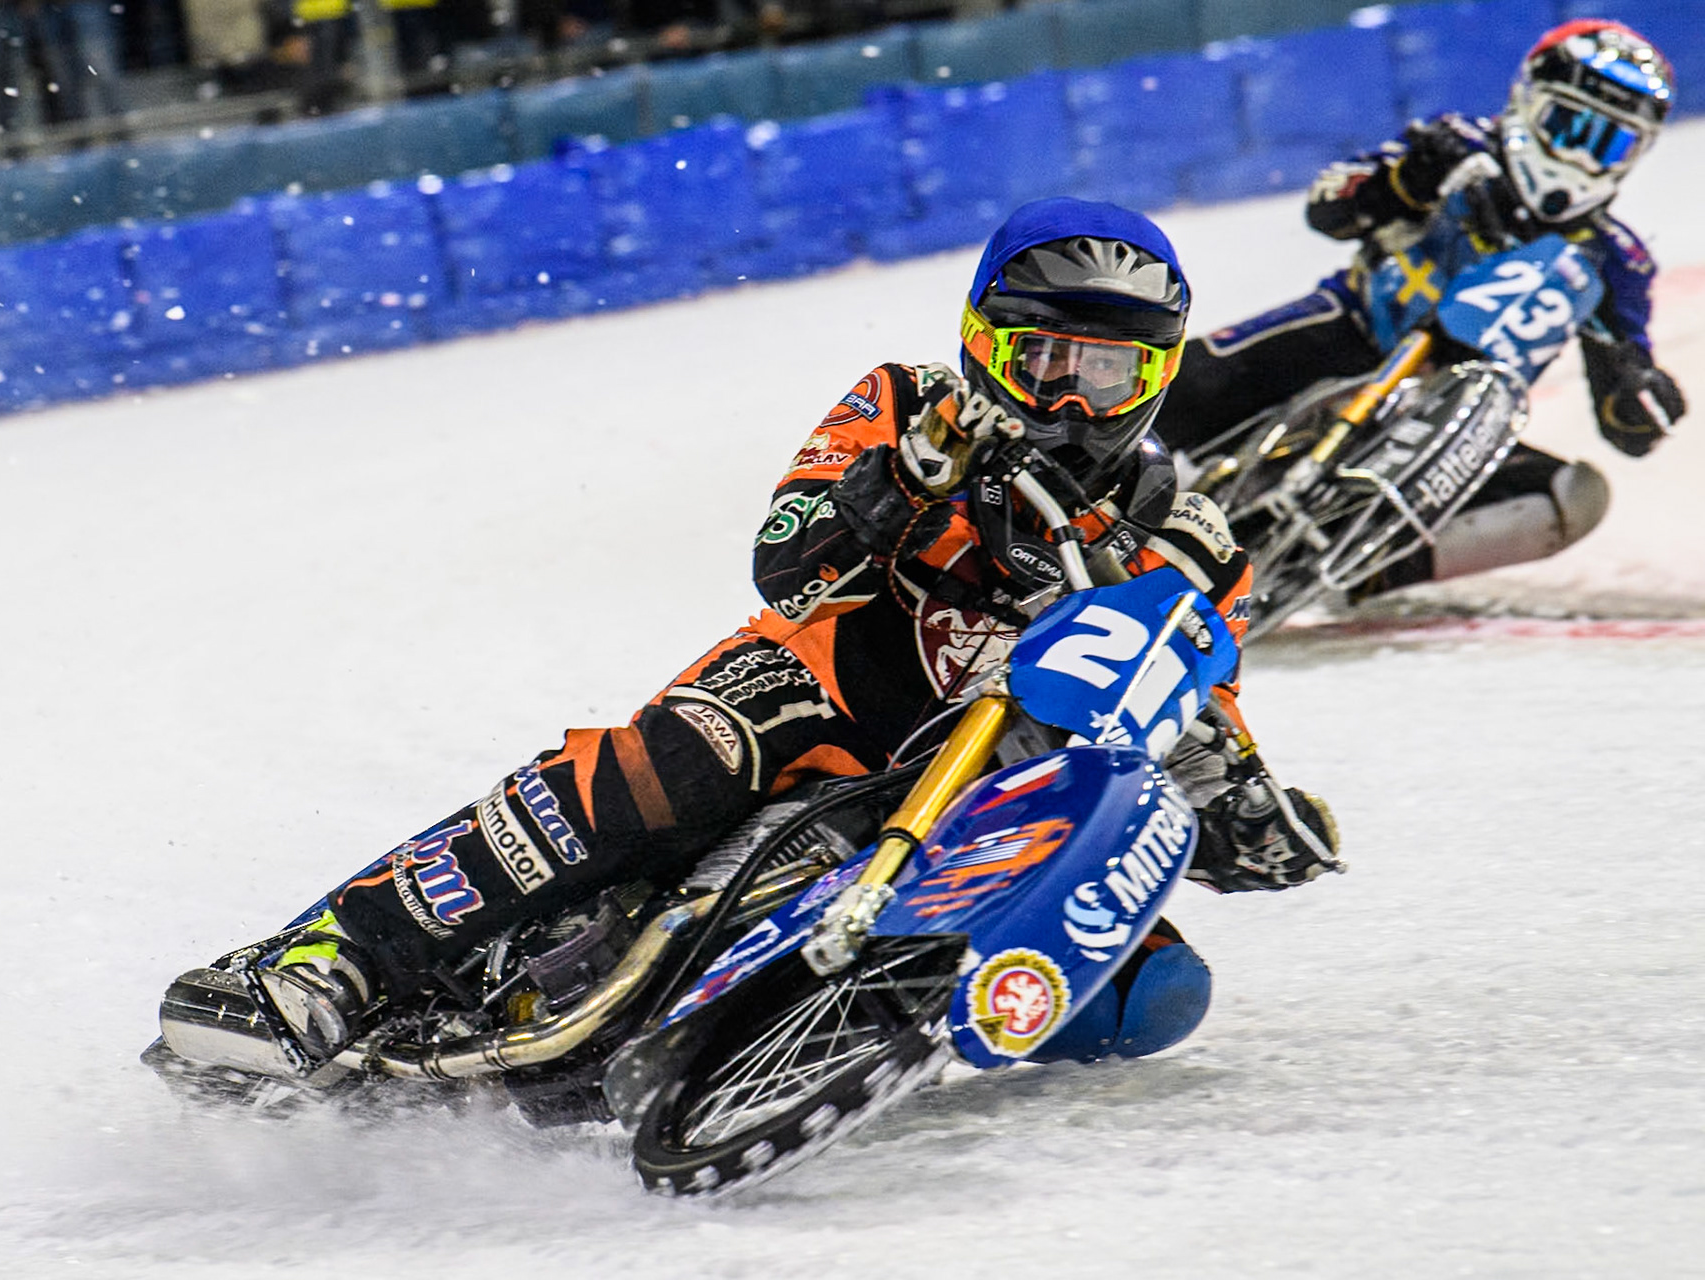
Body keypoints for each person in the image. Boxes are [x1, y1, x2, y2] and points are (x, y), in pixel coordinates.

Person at [161, 197, 1342, 1079]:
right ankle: (330, 953)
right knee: (672, 763)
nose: (1071, 400)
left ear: (1158, 371)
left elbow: (1195, 695)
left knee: (1152, 991)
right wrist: (908, 479)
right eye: (1043, 363)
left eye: (1107, 370)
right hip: (821, 683)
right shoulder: (904, 401)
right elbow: (790, 558)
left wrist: (1243, 801)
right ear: (986, 344)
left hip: (990, 776)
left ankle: (806, 1036)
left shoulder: (1189, 539)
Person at [1153, 20, 1686, 597]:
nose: (1580, 157)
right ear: (1527, 104)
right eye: (1567, 126)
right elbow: (1328, 208)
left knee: (1575, 496)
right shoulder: (1456, 146)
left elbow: (1626, 419)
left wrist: (1637, 389)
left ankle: (1351, 575)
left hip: (1453, 423)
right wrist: (1406, 179)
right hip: (1346, 330)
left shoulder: (1614, 261)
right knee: (1163, 390)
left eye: (1609, 142)